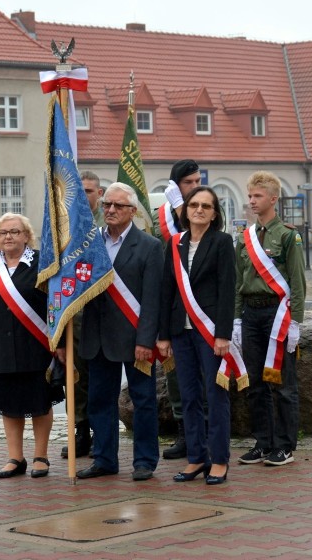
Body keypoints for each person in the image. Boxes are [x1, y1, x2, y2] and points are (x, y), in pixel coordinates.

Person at [75, 182, 163, 481]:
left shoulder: (149, 246)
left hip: (135, 337)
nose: (111, 210)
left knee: (143, 401)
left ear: (133, 211)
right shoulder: (90, 244)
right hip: (97, 338)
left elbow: (153, 299)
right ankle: (104, 459)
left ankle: (145, 461)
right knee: (100, 401)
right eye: (107, 205)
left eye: (118, 206)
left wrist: (146, 340)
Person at [0, 213, 64, 479]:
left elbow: (56, 304)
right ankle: (15, 457)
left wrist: (60, 341)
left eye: (14, 232)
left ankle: (41, 457)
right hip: (2, 346)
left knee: (39, 402)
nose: (8, 237)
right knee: (9, 404)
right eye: (2, 233)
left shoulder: (42, 262)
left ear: (26, 236)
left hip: (36, 345)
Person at [157, 186, 236, 486]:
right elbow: (167, 291)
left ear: (215, 213)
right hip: (180, 332)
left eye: (206, 206)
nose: (199, 210)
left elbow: (228, 290)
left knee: (215, 396)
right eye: (194, 205)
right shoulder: (175, 244)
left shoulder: (222, 242)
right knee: (188, 397)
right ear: (186, 210)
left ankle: (218, 460)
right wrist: (163, 335)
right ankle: (196, 458)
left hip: (210, 332)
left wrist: (223, 334)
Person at [234, 171, 306, 467]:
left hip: (278, 314)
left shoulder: (288, 235)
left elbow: (298, 283)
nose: (252, 201)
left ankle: (285, 446)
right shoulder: (245, 238)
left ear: (273, 199)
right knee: (256, 384)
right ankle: (263, 443)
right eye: (250, 196)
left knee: (283, 385)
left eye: (258, 196)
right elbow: (240, 281)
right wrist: (237, 320)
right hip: (251, 313)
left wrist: (296, 323)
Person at [154, 159, 202, 460]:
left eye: (198, 181)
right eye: (189, 183)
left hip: (202, 307)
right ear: (175, 186)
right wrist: (174, 211)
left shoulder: (205, 211)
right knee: (176, 374)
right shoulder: (162, 218)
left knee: (204, 374)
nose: (195, 187)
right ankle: (185, 432)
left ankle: (205, 432)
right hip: (173, 305)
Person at [61, 170, 104, 460]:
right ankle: (80, 429)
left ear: (99, 194)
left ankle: (102, 431)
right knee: (74, 376)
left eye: (89, 191)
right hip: (75, 312)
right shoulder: (66, 225)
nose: (84, 196)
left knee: (100, 376)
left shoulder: (106, 223)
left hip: (102, 311)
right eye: (80, 191)